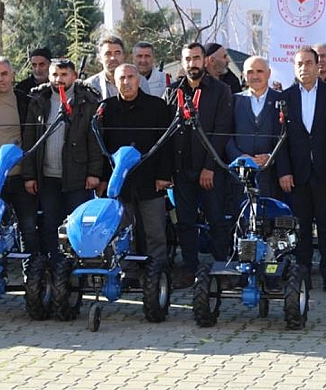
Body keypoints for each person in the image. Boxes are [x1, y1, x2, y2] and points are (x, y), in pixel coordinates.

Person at [164, 43, 233, 287]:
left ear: (205, 61)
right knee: (185, 222)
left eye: (196, 58)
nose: (192, 63)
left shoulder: (221, 91)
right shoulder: (172, 92)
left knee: (216, 220)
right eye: (187, 59)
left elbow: (222, 131)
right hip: (182, 170)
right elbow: (167, 133)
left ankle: (222, 269)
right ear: (182, 62)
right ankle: (190, 269)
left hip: (210, 169)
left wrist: (209, 167)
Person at [22, 59, 103, 262]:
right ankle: (55, 265)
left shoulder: (87, 102)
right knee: (50, 224)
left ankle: (76, 267)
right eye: (55, 74)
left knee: (77, 225)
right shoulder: (39, 100)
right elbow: (30, 140)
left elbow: (94, 141)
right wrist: (29, 175)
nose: (59, 79)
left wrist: (94, 173)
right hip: (47, 177)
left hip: (78, 177)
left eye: (64, 74)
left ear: (74, 76)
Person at [278, 48, 326, 296]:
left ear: (318, 66)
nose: (303, 68)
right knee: (301, 228)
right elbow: (280, 140)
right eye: (299, 64)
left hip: (325, 174)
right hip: (297, 175)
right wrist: (284, 171)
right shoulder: (284, 97)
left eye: (308, 63)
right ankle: (302, 276)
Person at [99, 64, 173, 269]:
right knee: (122, 230)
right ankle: (127, 273)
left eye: (131, 77)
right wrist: (104, 179)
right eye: (121, 78)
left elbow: (166, 144)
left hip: (151, 180)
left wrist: (163, 175)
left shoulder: (157, 107)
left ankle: (158, 272)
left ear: (138, 79)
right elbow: (101, 147)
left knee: (155, 231)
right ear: (114, 81)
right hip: (119, 182)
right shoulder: (106, 109)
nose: (126, 82)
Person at [0, 57, 38, 272]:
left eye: (5, 74)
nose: (1, 79)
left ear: (13, 76)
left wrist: (30, 174)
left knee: (27, 228)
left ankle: (31, 275)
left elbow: (32, 138)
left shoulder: (25, 101)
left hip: (21, 177)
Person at [227, 56, 282, 198]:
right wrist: (239, 157)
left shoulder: (282, 100)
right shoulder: (234, 100)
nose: (255, 76)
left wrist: (271, 156)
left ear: (268, 73)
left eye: (260, 71)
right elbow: (226, 135)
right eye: (250, 72)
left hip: (272, 179)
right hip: (240, 178)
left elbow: (288, 135)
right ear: (244, 75)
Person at [85, 36, 150, 100]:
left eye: (117, 53)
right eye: (108, 54)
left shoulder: (140, 81)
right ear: (100, 58)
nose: (113, 58)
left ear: (123, 56)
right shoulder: (90, 85)